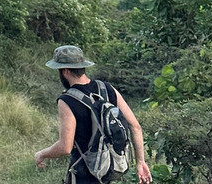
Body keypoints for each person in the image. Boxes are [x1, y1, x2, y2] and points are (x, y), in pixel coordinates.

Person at [34, 45, 152, 184]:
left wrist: (41, 154)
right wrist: (141, 162)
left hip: (83, 175)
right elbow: (135, 127)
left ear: (64, 71)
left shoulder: (67, 100)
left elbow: (65, 147)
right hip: (110, 171)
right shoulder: (107, 88)